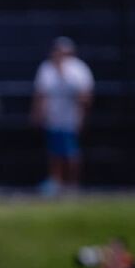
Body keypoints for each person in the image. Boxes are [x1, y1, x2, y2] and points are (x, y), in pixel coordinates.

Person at [32, 37, 94, 195]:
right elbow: (40, 93)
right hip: (53, 118)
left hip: (71, 118)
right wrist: (38, 113)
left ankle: (72, 185)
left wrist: (82, 116)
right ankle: (56, 183)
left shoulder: (79, 69)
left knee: (71, 152)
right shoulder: (46, 68)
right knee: (54, 152)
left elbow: (85, 95)